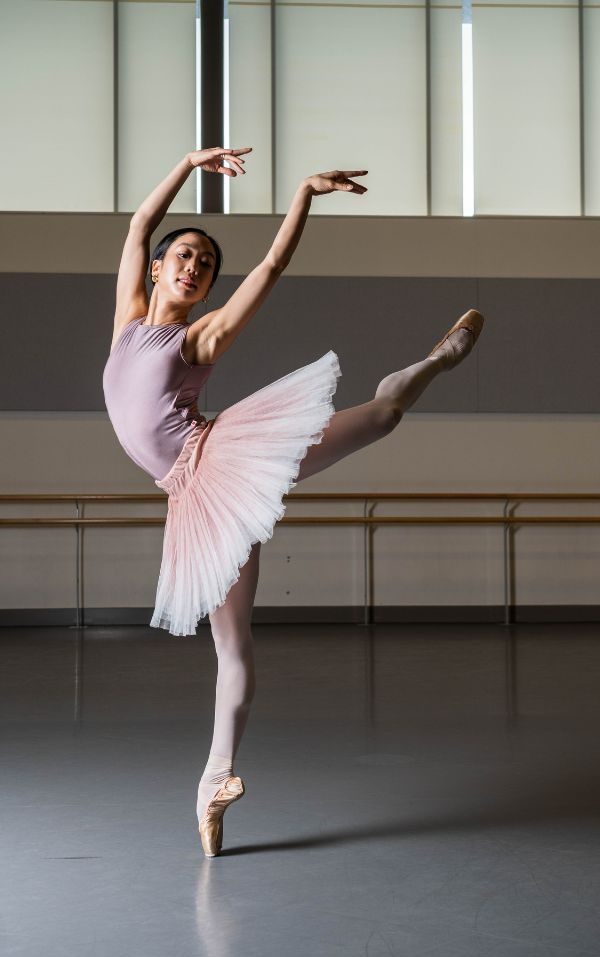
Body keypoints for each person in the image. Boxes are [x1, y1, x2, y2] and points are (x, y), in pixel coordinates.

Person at [102, 146, 484, 858]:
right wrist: (188, 164)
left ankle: (433, 363)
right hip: (188, 498)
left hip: (220, 459)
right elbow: (137, 224)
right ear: (157, 267)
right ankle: (214, 781)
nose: (193, 268)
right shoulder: (129, 317)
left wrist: (303, 194)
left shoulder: (201, 335)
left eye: (205, 266)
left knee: (378, 420)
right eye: (183, 256)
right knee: (232, 644)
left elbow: (271, 269)